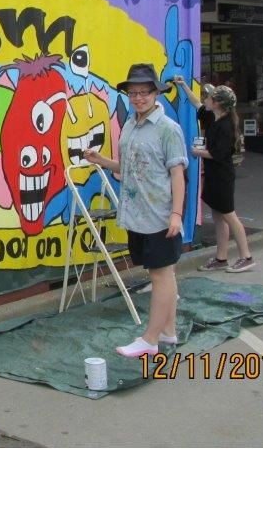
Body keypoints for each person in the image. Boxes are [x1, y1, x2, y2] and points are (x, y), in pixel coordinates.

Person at [85, 62, 187, 358]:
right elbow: (128, 169)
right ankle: (168, 332)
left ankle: (150, 339)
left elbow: (178, 174)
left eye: (144, 92)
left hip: (160, 214)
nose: (138, 97)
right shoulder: (130, 124)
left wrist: (176, 214)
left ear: (156, 93)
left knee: (160, 275)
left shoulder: (169, 129)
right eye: (133, 92)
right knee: (163, 272)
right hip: (136, 213)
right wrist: (101, 160)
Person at [189, 84, 254, 272]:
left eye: (209, 97)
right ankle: (221, 258)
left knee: (229, 216)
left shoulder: (226, 126)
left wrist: (198, 152)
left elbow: (220, 154)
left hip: (222, 176)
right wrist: (183, 85)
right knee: (219, 218)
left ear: (217, 103)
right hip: (213, 174)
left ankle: (246, 256)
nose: (205, 99)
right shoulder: (213, 117)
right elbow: (196, 104)